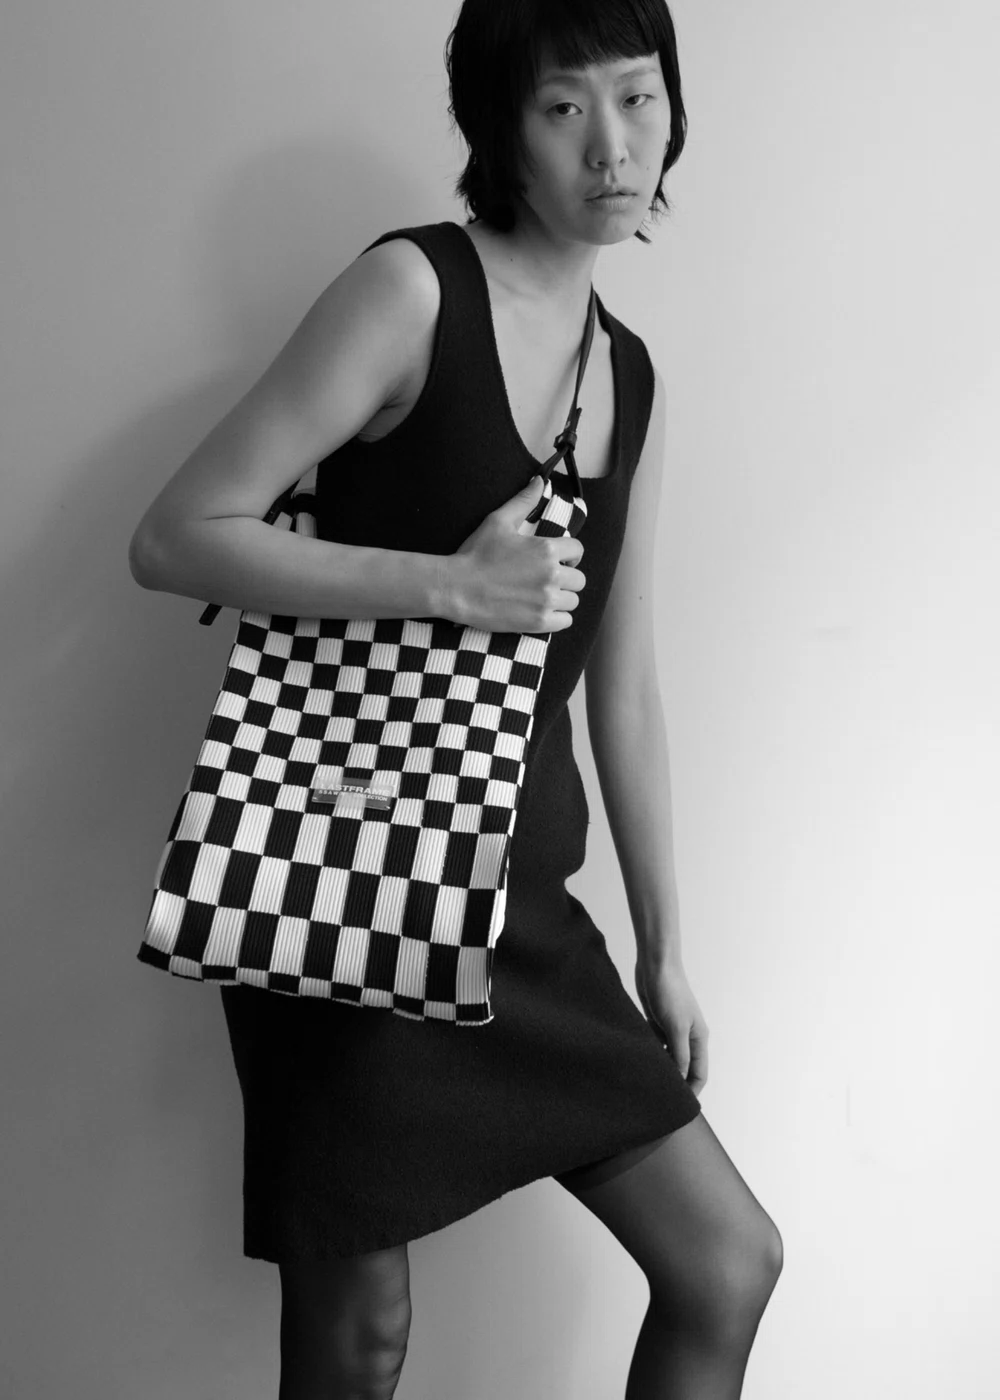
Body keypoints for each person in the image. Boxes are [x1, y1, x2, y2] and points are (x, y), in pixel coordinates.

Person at [129, 0, 783, 1395]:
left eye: (639, 97)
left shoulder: (633, 376)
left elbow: (624, 688)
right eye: (564, 107)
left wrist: (664, 948)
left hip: (525, 912)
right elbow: (176, 535)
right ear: (502, 128)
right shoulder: (412, 290)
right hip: (349, 873)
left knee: (726, 1262)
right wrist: (448, 586)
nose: (613, 146)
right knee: (361, 1338)